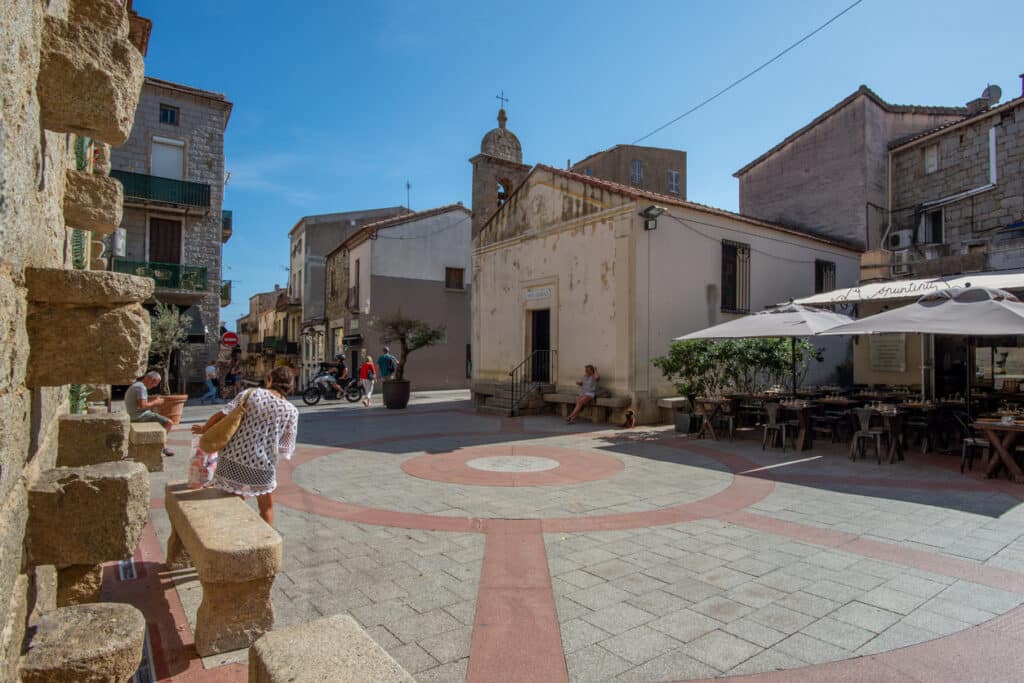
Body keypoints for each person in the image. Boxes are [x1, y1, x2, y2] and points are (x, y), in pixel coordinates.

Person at [190, 366, 298, 525]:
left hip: (232, 457)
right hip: (263, 464)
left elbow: (223, 415)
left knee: (234, 503)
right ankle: (265, 542)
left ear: (270, 380)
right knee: (267, 508)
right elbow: (285, 446)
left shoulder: (251, 394)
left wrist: (205, 429)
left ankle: (235, 535)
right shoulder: (292, 411)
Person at [125, 371, 175, 456]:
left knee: (157, 416)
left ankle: (162, 445)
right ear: (151, 379)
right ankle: (163, 446)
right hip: (139, 416)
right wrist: (156, 402)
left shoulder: (137, 385)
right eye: (155, 383)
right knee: (169, 423)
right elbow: (142, 406)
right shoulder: (141, 388)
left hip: (134, 414)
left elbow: (140, 404)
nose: (154, 386)